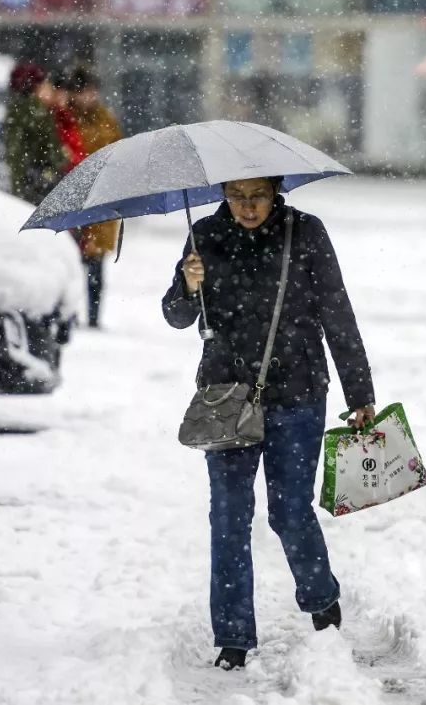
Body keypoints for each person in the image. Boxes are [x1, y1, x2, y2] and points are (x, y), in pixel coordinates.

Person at [161, 176, 376, 671]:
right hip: (227, 397)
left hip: (297, 391)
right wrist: (187, 286)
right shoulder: (204, 236)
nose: (247, 206)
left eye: (257, 195)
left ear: (276, 190)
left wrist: (360, 393)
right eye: (236, 196)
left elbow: (337, 313)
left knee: (290, 511)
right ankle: (233, 636)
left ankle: (321, 599)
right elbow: (175, 316)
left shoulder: (306, 232)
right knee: (228, 516)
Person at [70, 66, 123, 328]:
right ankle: (69, 315)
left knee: (95, 264)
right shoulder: (68, 119)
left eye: (93, 91)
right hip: (74, 195)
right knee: (70, 259)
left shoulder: (105, 118)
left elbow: (117, 149)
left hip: (101, 196)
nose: (90, 97)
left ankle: (93, 316)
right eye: (85, 92)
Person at [4, 62, 66, 205]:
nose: (49, 87)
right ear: (35, 87)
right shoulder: (35, 112)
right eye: (44, 83)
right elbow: (51, 149)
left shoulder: (22, 110)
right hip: (37, 185)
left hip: (33, 184)